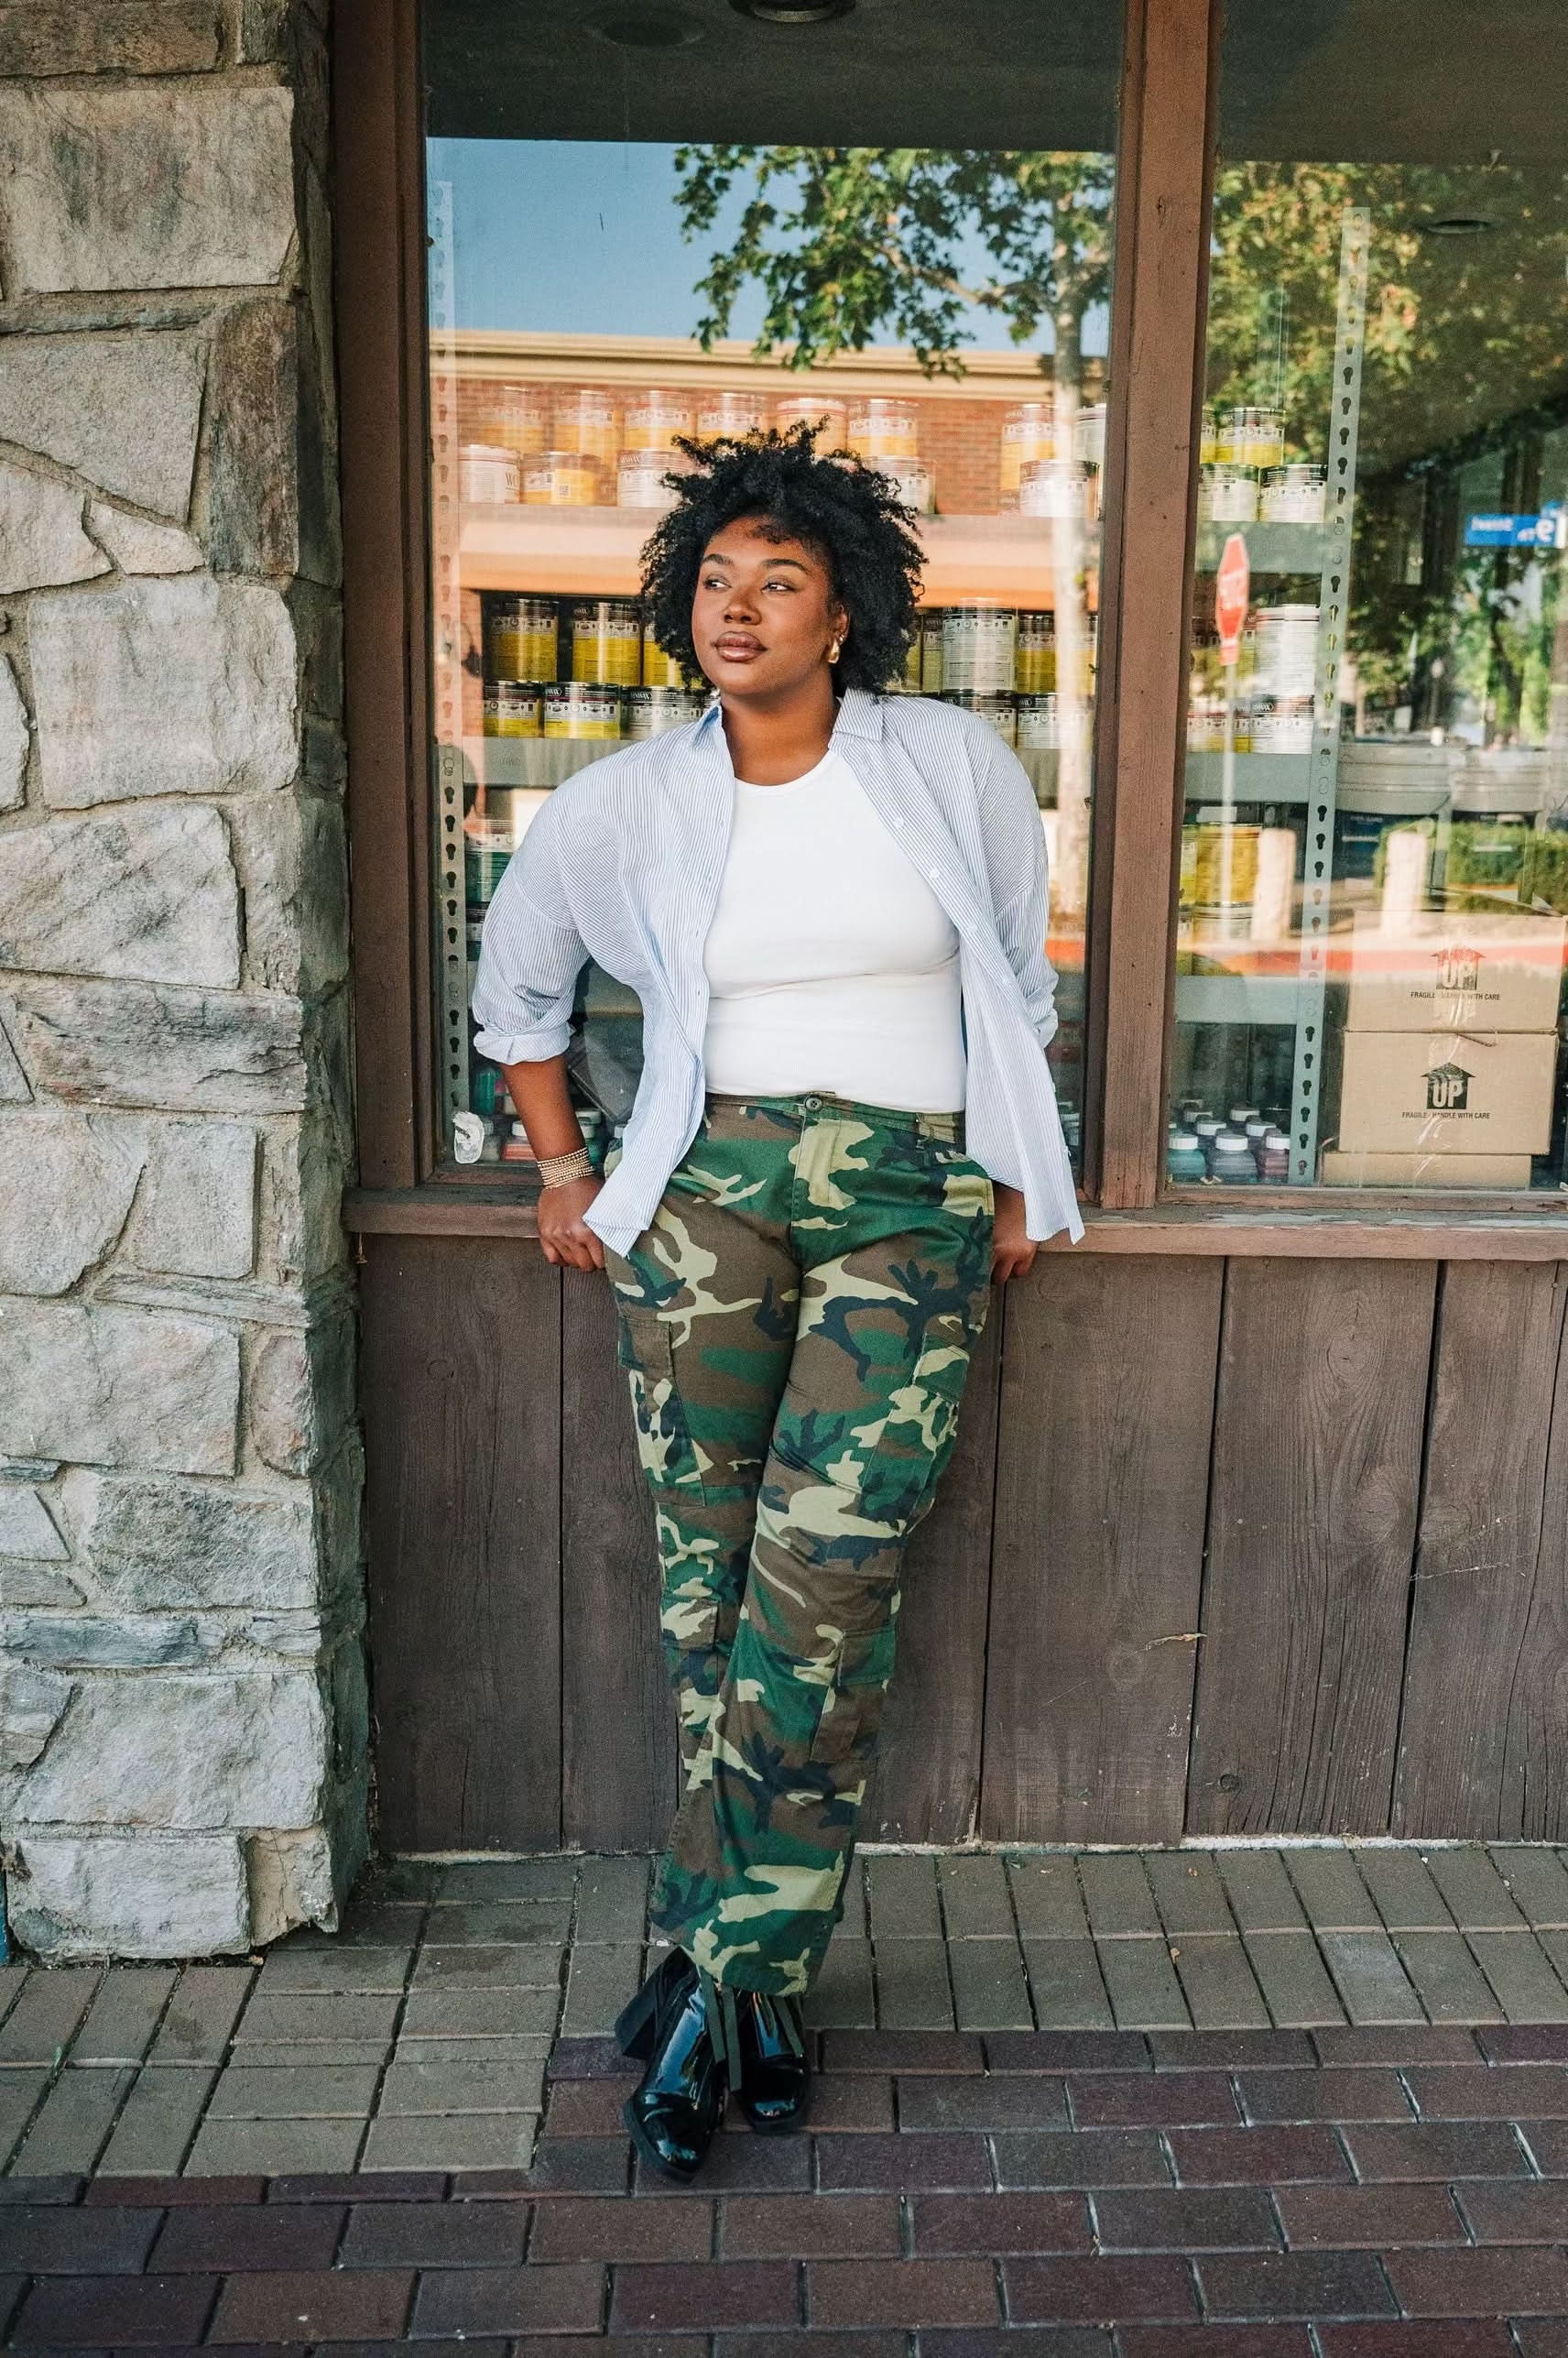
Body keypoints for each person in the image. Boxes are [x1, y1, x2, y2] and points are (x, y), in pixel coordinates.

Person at [473, 424, 1082, 2180]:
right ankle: (758, 1988)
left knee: (826, 1587)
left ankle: (714, 1979)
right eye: (717, 580)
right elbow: (520, 986)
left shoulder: (946, 763)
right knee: (707, 1589)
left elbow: (1014, 973)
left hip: (906, 1191)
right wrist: (561, 1166)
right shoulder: (625, 802)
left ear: (845, 612)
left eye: (781, 580)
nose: (738, 607)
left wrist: (1014, 1171)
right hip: (709, 1190)